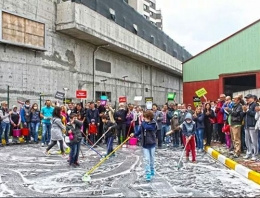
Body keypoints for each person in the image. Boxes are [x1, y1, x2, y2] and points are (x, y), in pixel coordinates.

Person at [130, 111, 157, 181]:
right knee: (147, 159)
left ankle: (152, 170)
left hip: (152, 143)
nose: (144, 118)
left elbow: (147, 127)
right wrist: (134, 134)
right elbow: (139, 131)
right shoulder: (143, 123)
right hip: (145, 144)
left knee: (152, 158)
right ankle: (148, 173)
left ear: (149, 117)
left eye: (145, 117)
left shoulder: (153, 123)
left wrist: (143, 123)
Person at [243, 94, 258, 160]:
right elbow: (243, 115)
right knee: (247, 140)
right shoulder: (247, 105)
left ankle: (255, 154)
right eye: (246, 99)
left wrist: (247, 110)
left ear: (252, 98)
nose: (247, 100)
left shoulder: (255, 105)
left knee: (254, 141)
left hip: (252, 125)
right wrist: (244, 111)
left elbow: (255, 114)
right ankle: (249, 153)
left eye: (248, 98)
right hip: (246, 125)